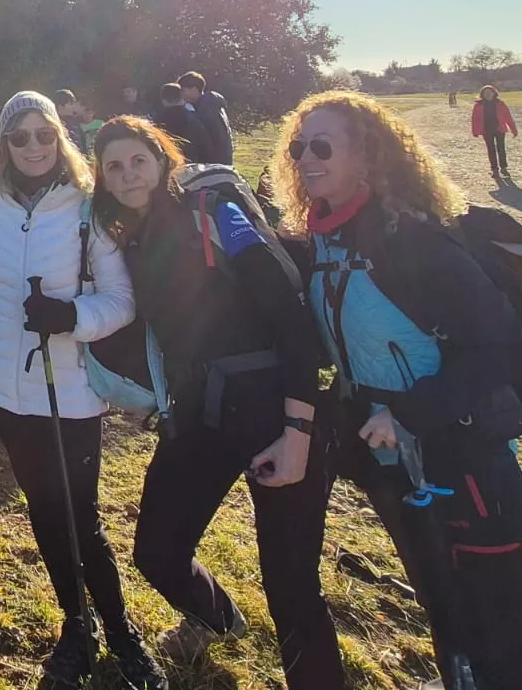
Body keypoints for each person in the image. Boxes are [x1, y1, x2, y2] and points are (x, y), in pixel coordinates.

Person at [274, 90, 522, 689]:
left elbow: (503, 348)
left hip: (468, 463)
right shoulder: (324, 239)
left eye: (322, 146)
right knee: (448, 616)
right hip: (396, 465)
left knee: (501, 637)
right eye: (299, 147)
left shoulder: (414, 242)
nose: (305, 158)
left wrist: (411, 414)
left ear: (369, 158)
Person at [90, 118, 342, 688]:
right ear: (102, 179)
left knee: (291, 586)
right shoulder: (126, 235)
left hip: (275, 411)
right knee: (156, 552)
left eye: (138, 161)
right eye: (114, 166)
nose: (128, 175)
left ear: (163, 160)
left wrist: (298, 429)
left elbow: (290, 316)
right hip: (199, 413)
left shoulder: (216, 215)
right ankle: (220, 620)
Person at [0, 92, 166, 690]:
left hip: (72, 388)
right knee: (45, 511)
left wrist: (71, 317)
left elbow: (122, 300)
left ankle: (121, 630)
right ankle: (75, 629)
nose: (33, 146)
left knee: (81, 516)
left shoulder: (88, 210)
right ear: (4, 146)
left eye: (44, 134)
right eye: (20, 136)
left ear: (60, 137)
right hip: (7, 385)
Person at [177, 71, 234, 165]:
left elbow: (210, 138)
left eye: (183, 90)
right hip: (221, 162)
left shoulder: (207, 108)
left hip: (213, 164)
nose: (181, 95)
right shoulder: (211, 105)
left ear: (194, 89)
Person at [154, 83, 213, 165]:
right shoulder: (194, 119)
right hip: (192, 166)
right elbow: (206, 147)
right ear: (182, 98)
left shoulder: (156, 122)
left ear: (163, 100)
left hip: (169, 168)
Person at [472, 85, 519, 183]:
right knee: (491, 149)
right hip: (486, 130)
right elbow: (474, 119)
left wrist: (513, 129)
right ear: (482, 95)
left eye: (490, 92)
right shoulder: (478, 105)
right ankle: (494, 169)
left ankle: (503, 167)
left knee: (501, 148)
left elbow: (508, 117)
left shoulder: (500, 104)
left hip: (499, 129)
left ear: (494, 93)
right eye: (485, 93)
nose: (488, 95)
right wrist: (475, 131)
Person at [52, 88, 90, 156]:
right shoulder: (52, 125)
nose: (73, 107)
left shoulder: (75, 123)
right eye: (70, 104)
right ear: (61, 105)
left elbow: (83, 146)